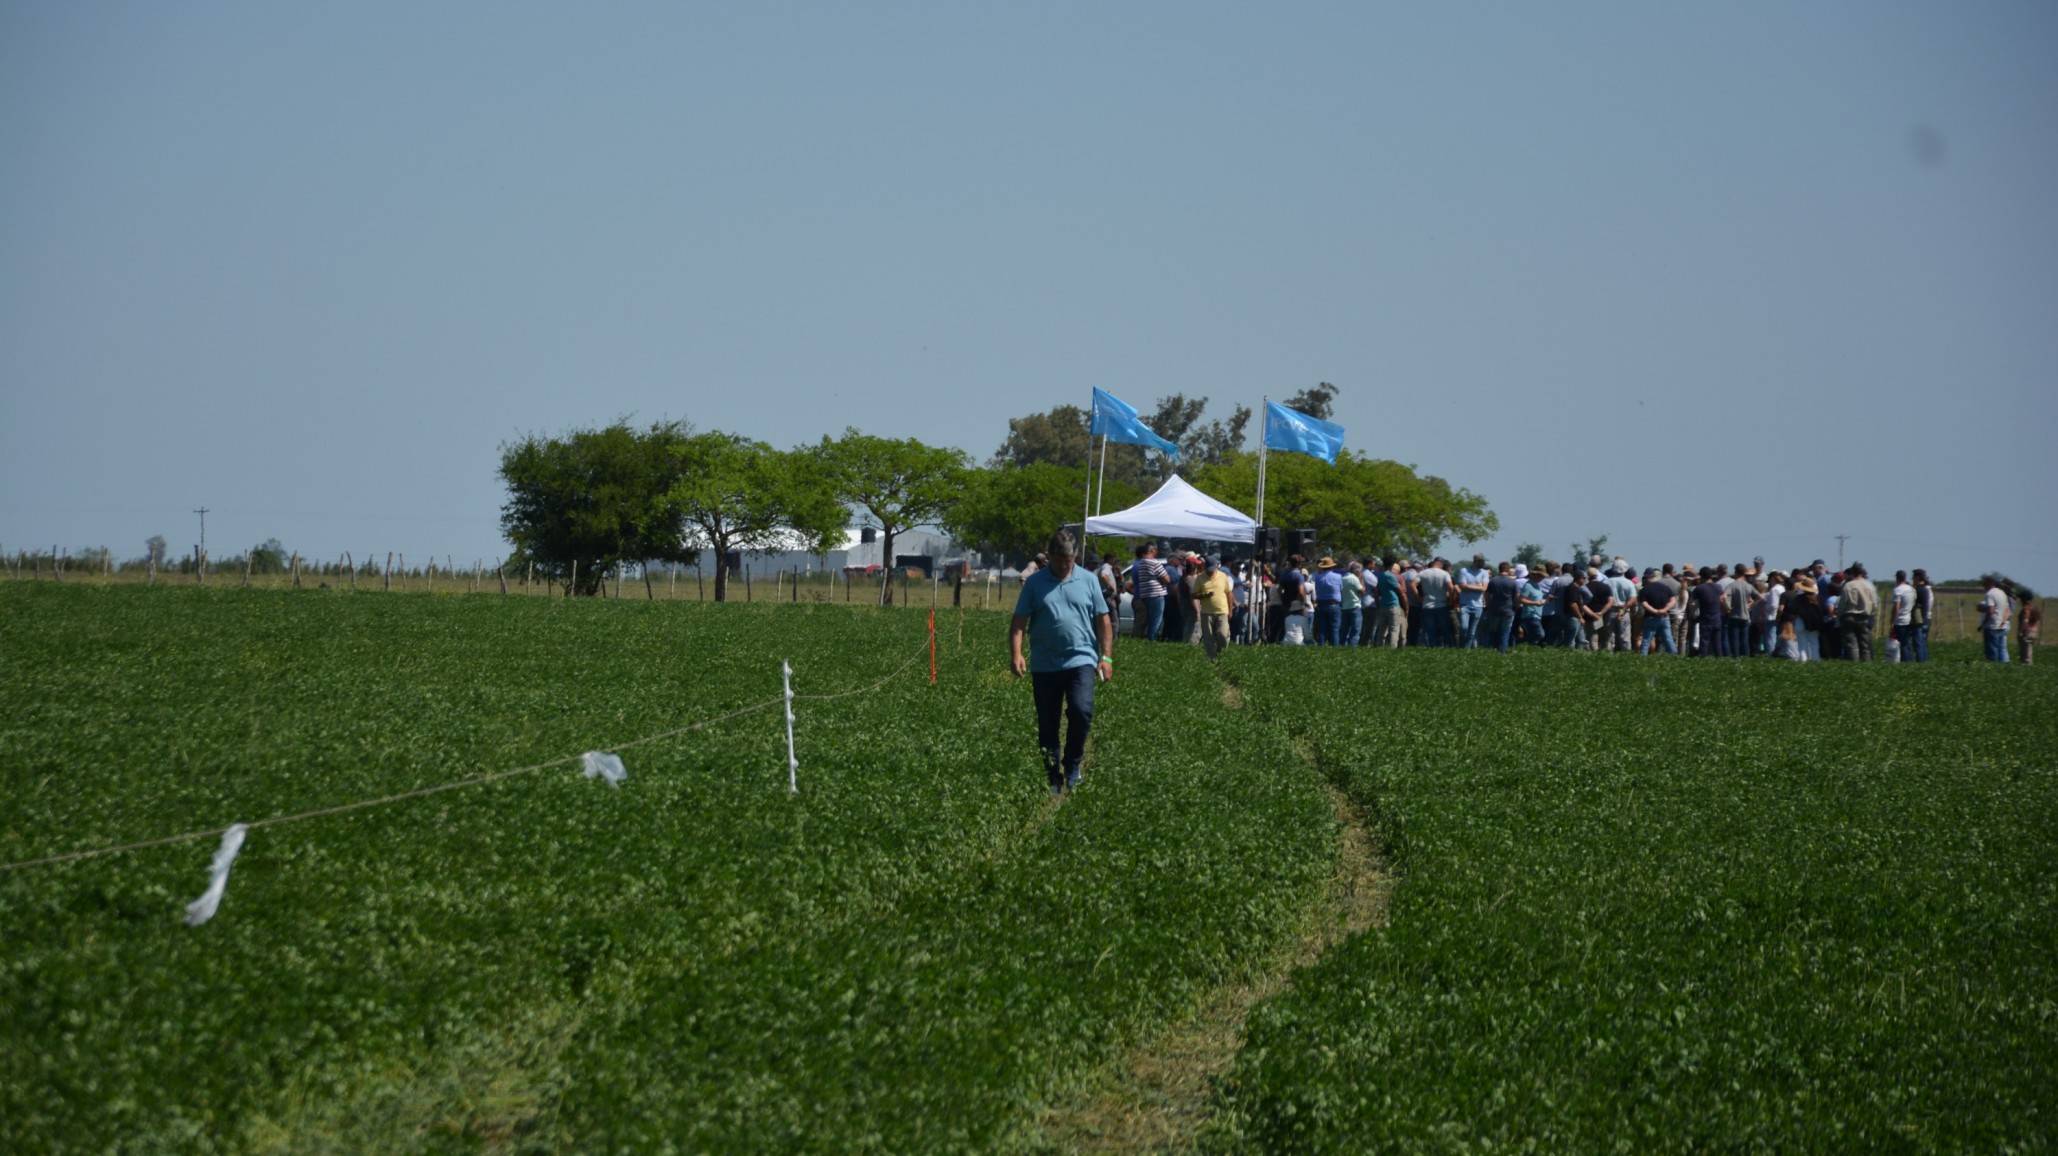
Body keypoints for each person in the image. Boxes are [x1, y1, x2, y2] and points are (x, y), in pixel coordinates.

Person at [1009, 531, 1114, 796]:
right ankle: (1052, 773)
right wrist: (1017, 654)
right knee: (1048, 723)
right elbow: (1019, 622)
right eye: (1058, 560)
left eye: (1068, 560)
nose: (1063, 565)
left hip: (1081, 659)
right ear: (1050, 557)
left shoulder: (1089, 580)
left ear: (1074, 557)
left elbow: (1103, 619)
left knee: (1081, 710)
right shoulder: (1035, 583)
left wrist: (1106, 656)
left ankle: (1073, 763)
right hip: (1045, 664)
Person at [1191, 555, 1235, 660]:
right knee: (1208, 637)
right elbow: (1193, 595)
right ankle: (1212, 658)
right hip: (1206, 612)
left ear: (1216, 567)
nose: (1210, 572)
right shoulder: (1200, 578)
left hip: (1222, 611)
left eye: (1212, 569)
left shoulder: (1223, 576)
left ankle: (1221, 652)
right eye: (1208, 569)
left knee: (1223, 634)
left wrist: (1230, 610)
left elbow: (1229, 593)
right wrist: (1204, 595)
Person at [1837, 562, 1877, 661]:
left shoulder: (1848, 586)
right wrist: (1871, 614)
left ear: (1852, 573)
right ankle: (1866, 665)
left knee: (1852, 644)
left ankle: (1853, 664)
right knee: (1865, 644)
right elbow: (1875, 604)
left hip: (1849, 616)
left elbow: (1842, 604)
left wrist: (1840, 615)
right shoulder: (1869, 586)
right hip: (1864, 616)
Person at [1779, 576, 1825, 662]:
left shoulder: (1799, 598)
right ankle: (1816, 660)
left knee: (1802, 643)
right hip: (1815, 624)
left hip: (1801, 622)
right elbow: (1824, 611)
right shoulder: (1818, 599)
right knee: (1814, 643)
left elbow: (1793, 610)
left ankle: (1803, 660)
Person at [1129, 544, 1169, 642]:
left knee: (1151, 618)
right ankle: (1152, 639)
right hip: (1156, 594)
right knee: (1156, 619)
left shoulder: (1140, 563)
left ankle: (1148, 638)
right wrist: (1160, 580)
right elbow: (1167, 579)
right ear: (1152, 551)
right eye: (1155, 550)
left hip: (1146, 594)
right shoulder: (1154, 562)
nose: (1157, 552)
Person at [1482, 562, 1520, 653]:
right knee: (1505, 633)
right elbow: (1517, 596)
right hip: (1508, 610)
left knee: (1493, 632)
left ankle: (1491, 651)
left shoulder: (1493, 581)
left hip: (1494, 610)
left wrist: (1488, 606)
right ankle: (1502, 652)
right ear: (1507, 570)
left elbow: (1487, 595)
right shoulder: (1513, 582)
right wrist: (1516, 607)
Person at [1638, 568, 1678, 654]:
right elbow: (1673, 601)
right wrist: (1664, 610)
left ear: (1646, 578)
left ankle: (1642, 658)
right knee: (1668, 639)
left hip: (1651, 618)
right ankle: (1674, 656)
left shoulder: (1644, 590)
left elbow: (1644, 604)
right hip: (1664, 617)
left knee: (1646, 640)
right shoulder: (1665, 588)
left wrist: (1656, 611)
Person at [1456, 554, 1491, 648]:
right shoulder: (1464, 571)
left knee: (1472, 632)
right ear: (1476, 561)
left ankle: (1465, 650)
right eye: (1481, 561)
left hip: (1478, 605)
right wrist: (1477, 586)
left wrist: (1468, 586)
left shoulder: (1484, 573)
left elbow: (1484, 588)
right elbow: (1462, 586)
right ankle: (1461, 645)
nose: (1483, 563)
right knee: (1464, 627)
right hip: (1465, 604)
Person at [1416, 557, 1453, 648]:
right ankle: (1448, 647)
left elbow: (1413, 585)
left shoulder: (1422, 573)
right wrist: (1451, 600)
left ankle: (1433, 648)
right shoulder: (1444, 574)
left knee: (1430, 630)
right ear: (1440, 564)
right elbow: (1451, 588)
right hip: (1441, 605)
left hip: (1427, 606)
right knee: (1445, 630)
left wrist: (1419, 598)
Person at [1372, 556, 1409, 648]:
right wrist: (1406, 606)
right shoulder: (1390, 576)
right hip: (1393, 604)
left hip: (1383, 604)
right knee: (1394, 629)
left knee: (1382, 628)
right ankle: (1392, 648)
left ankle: (1379, 646)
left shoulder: (1380, 575)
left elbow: (1377, 591)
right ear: (1393, 564)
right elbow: (1400, 591)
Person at [1691, 567, 1727, 657]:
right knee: (1717, 642)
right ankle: (1719, 658)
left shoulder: (1699, 588)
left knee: (1704, 641)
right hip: (1717, 618)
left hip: (1705, 618)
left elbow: (1692, 603)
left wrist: (1693, 615)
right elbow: (1723, 600)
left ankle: (1704, 659)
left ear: (1701, 576)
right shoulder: (1719, 587)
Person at [1311, 556, 1345, 646]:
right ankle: (1334, 649)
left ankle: (1321, 647)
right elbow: (1341, 589)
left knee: (1322, 629)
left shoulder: (1317, 578)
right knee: (1334, 629)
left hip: (1321, 605)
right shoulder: (1338, 577)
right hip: (1334, 605)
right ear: (1332, 567)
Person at [1979, 574, 2011, 662]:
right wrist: (2003, 621)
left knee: (1992, 651)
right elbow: (2007, 609)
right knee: (2001, 650)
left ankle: (1993, 668)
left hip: (1992, 626)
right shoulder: (2002, 593)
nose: (1983, 584)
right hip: (2001, 626)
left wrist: (1983, 624)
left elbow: (1990, 610)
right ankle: (2003, 669)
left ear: (1990, 583)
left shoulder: (1990, 594)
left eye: (1985, 582)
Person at [1517, 567, 1549, 646]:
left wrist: (1547, 600)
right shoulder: (1528, 585)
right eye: (1541, 576)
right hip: (1530, 614)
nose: (1542, 578)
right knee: (1540, 634)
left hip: (1537, 614)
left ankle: (1529, 649)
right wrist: (1534, 603)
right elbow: (1521, 599)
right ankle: (1521, 643)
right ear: (1535, 575)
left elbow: (1538, 599)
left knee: (1534, 638)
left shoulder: (1537, 586)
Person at [1907, 569, 1934, 662]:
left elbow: (1917, 605)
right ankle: (1924, 662)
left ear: (1918, 577)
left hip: (1919, 620)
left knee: (1918, 644)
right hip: (1927, 619)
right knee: (1923, 643)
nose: (1913, 580)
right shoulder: (1927, 589)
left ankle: (1921, 662)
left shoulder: (1919, 590)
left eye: (1914, 577)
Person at [1890, 570, 1916, 663]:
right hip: (1909, 619)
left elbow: (1897, 607)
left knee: (1902, 644)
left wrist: (1892, 621)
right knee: (1906, 642)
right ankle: (1909, 659)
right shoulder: (1911, 589)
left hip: (1900, 620)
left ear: (1897, 578)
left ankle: (1906, 661)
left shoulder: (1898, 590)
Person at [1340, 560, 1366, 647]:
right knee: (1355, 630)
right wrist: (1361, 580)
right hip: (1355, 606)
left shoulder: (1343, 578)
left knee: (1344, 630)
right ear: (1358, 571)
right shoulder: (1354, 579)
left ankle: (1342, 646)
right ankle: (1353, 647)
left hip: (1345, 606)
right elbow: (1362, 591)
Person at [2017, 586, 2040, 665]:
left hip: (2027, 633)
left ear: (2024, 599)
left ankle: (2027, 668)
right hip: (2034, 632)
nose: (2020, 600)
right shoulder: (2035, 607)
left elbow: (2025, 621)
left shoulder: (2026, 608)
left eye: (2021, 598)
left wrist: (2020, 632)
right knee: (2029, 652)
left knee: (2026, 656)